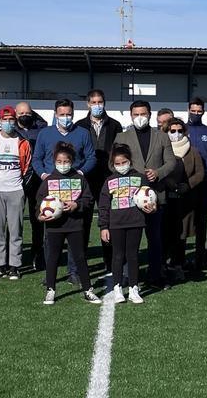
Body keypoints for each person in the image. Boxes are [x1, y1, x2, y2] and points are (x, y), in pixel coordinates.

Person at [113, 100, 177, 288]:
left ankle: (155, 276)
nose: (139, 117)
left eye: (143, 114)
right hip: (129, 197)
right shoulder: (121, 137)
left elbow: (171, 162)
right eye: (136, 114)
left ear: (149, 114)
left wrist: (158, 173)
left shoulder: (162, 137)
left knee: (155, 239)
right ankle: (126, 275)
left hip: (155, 196)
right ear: (130, 115)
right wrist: (130, 173)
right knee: (128, 241)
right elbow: (112, 164)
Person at [38, 142, 100, 305]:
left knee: (80, 257)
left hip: (75, 225)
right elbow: (39, 201)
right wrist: (41, 215)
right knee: (53, 258)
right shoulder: (49, 179)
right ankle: (50, 290)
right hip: (54, 226)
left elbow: (88, 199)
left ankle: (87, 290)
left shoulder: (79, 179)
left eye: (66, 161)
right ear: (54, 161)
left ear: (72, 161)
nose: (63, 165)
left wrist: (76, 205)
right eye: (59, 161)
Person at [76, 89, 123, 274]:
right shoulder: (80, 125)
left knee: (108, 221)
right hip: (86, 180)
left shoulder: (115, 125)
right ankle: (82, 263)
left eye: (100, 102)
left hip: (107, 179)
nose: (97, 105)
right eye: (94, 102)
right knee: (83, 223)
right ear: (88, 104)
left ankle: (110, 262)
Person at [99, 144, 154, 304]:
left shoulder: (140, 178)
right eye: (118, 163)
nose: (121, 166)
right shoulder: (109, 181)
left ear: (130, 161)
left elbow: (149, 197)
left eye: (124, 162)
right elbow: (103, 205)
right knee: (117, 255)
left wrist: (152, 207)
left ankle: (133, 288)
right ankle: (117, 287)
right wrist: (104, 227)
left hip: (135, 222)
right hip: (116, 224)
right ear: (113, 164)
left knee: (133, 255)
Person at [0, 106, 32, 280]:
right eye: (5, 120)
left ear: (16, 121)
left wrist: (20, 188)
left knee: (15, 231)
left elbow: (28, 168)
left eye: (11, 119)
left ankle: (15, 266)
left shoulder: (23, 142)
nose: (8, 123)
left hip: (15, 191)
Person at [160, 117, 204, 278]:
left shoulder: (192, 151)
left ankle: (178, 264)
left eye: (180, 131)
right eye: (173, 131)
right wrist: (170, 183)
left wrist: (187, 185)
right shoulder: (162, 148)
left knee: (181, 234)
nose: (176, 134)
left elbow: (199, 173)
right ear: (166, 132)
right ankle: (162, 265)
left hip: (185, 199)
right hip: (165, 198)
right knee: (165, 233)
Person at [15, 101, 48, 270]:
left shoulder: (42, 129)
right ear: (15, 113)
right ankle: (13, 257)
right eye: (20, 113)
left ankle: (37, 254)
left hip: (36, 180)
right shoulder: (11, 130)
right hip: (15, 180)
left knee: (37, 219)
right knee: (14, 220)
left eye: (27, 113)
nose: (24, 116)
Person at [32, 99, 96, 185]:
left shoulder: (83, 133)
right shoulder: (44, 133)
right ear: (56, 115)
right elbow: (37, 159)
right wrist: (43, 175)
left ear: (73, 114)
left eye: (68, 114)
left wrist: (81, 172)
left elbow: (91, 157)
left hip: (75, 182)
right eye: (62, 114)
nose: (65, 117)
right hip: (51, 182)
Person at [185, 97, 207, 270]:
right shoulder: (182, 129)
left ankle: (200, 256)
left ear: (203, 111)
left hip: (204, 182)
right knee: (183, 220)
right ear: (188, 109)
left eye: (199, 111)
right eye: (193, 110)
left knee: (201, 220)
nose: (196, 113)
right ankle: (179, 257)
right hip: (186, 183)